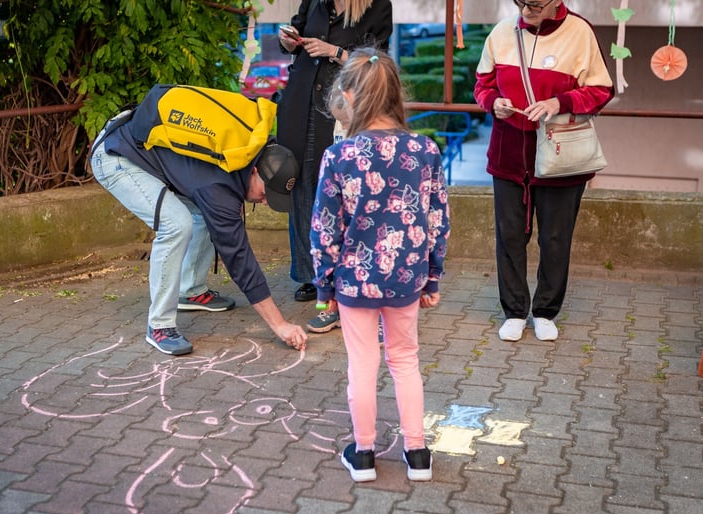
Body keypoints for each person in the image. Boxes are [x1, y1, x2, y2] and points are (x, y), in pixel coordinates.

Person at [310, 48, 450, 482]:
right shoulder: (425, 150)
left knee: (363, 365)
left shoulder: (340, 156)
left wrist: (324, 287)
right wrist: (432, 277)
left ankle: (365, 453)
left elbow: (324, 228)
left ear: (349, 97)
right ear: (395, 93)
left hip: (355, 282)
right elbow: (436, 219)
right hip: (406, 279)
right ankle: (417, 454)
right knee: (405, 359)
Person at [89, 86, 308, 356]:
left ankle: (190, 290)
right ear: (254, 170)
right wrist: (280, 324)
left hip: (133, 143)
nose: (264, 202)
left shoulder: (252, 145)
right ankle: (160, 325)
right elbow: (240, 259)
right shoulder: (218, 188)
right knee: (176, 224)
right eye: (265, 194)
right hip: (116, 156)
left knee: (207, 215)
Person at [474, 0, 614, 342]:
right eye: (520, 2)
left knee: (555, 237)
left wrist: (559, 103)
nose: (525, 9)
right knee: (509, 236)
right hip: (509, 153)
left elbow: (601, 90)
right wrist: (493, 102)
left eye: (534, 4)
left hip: (560, 156)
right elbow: (482, 84)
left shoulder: (580, 32)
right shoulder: (501, 32)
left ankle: (546, 311)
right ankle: (515, 311)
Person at [275, 0, 392, 329]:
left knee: (337, 196)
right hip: (301, 102)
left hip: (343, 110)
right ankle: (307, 274)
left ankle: (340, 275)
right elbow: (297, 28)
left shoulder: (379, 5)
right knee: (298, 185)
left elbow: (377, 61)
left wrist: (334, 51)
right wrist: (290, 40)